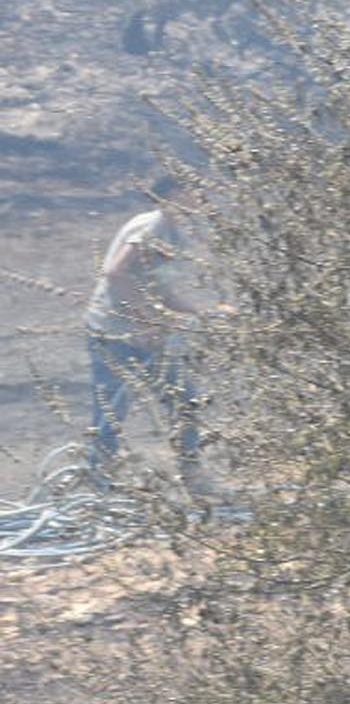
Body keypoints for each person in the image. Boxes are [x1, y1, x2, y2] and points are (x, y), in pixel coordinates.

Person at [84, 171, 213, 490]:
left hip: (145, 336)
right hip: (114, 333)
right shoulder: (151, 225)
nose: (200, 196)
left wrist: (201, 313)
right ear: (172, 194)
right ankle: (97, 486)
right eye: (192, 189)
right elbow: (116, 273)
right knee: (112, 412)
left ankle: (192, 476)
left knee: (185, 399)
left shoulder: (174, 235)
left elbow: (160, 290)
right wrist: (148, 319)